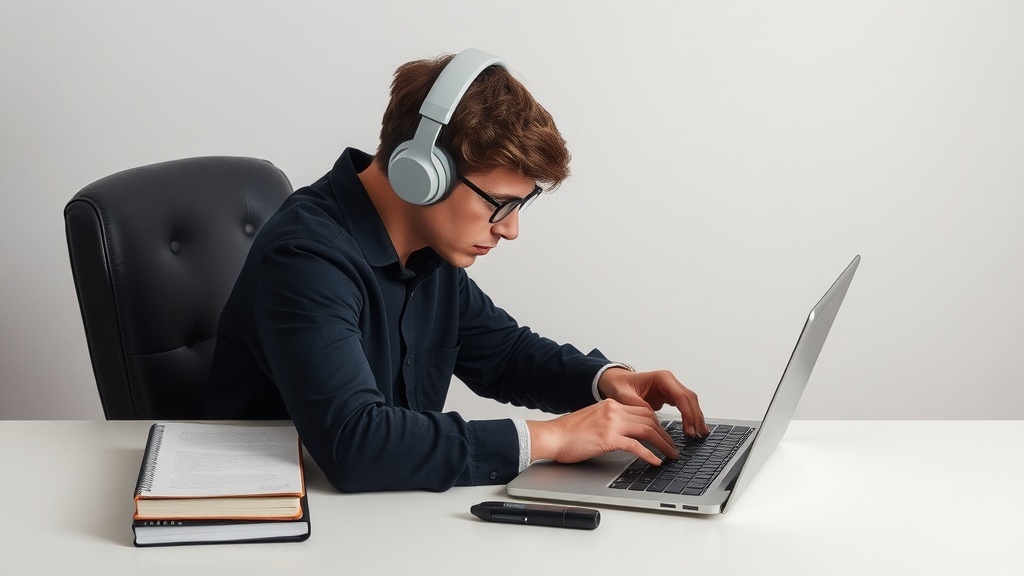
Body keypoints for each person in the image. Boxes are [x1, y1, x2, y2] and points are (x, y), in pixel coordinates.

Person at [204, 50, 710, 493]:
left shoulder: (429, 249)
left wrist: (606, 381)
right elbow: (355, 444)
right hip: (281, 521)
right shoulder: (306, 259)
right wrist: (551, 438)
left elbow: (504, 355)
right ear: (422, 172)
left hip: (384, 515)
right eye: (499, 204)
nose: (510, 230)